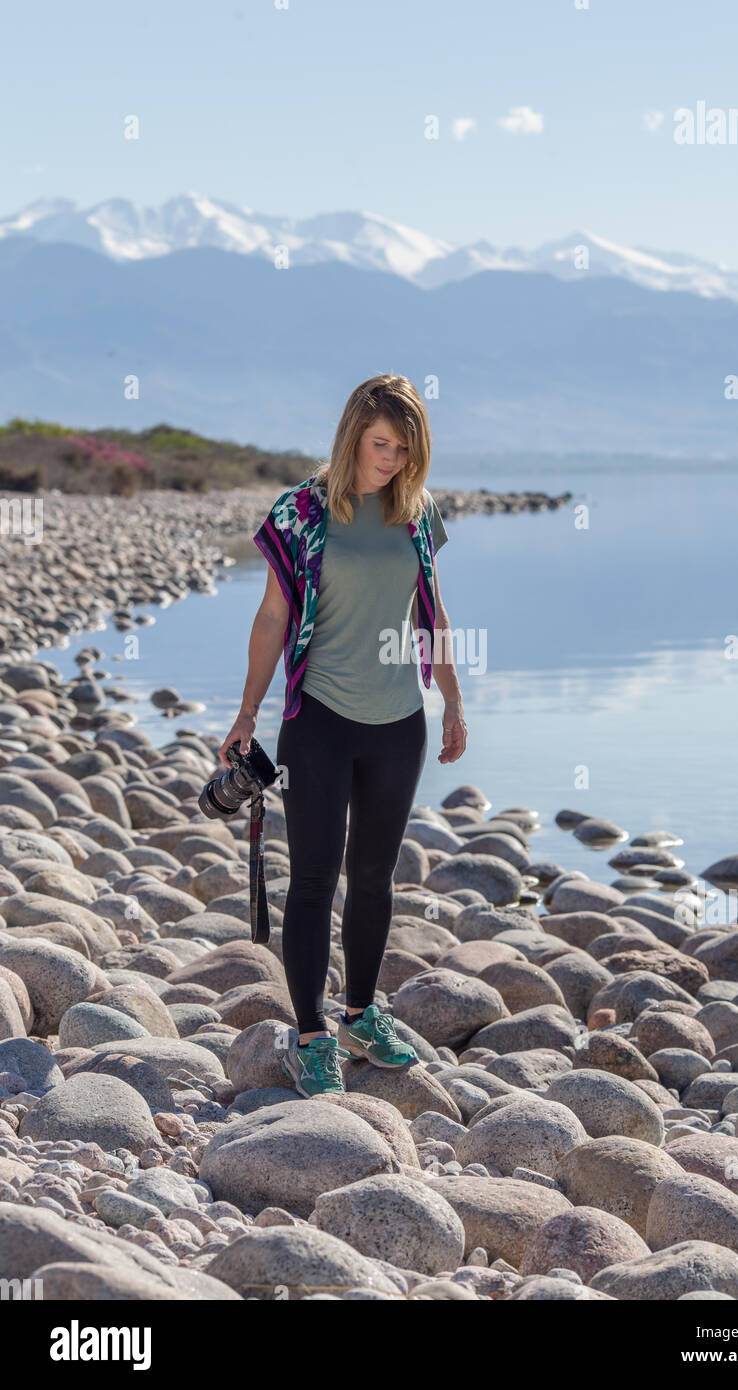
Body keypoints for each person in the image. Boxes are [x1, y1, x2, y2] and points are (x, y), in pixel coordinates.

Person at [218, 375, 468, 1096]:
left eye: (404, 447)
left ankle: (361, 1012)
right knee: (315, 878)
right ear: (353, 435)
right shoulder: (302, 511)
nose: (391, 459)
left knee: (375, 878)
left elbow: (433, 615)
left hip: (398, 723)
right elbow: (271, 619)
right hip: (318, 721)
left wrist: (451, 700)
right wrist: (245, 716)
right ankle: (312, 1035)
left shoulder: (416, 513)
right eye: (380, 444)